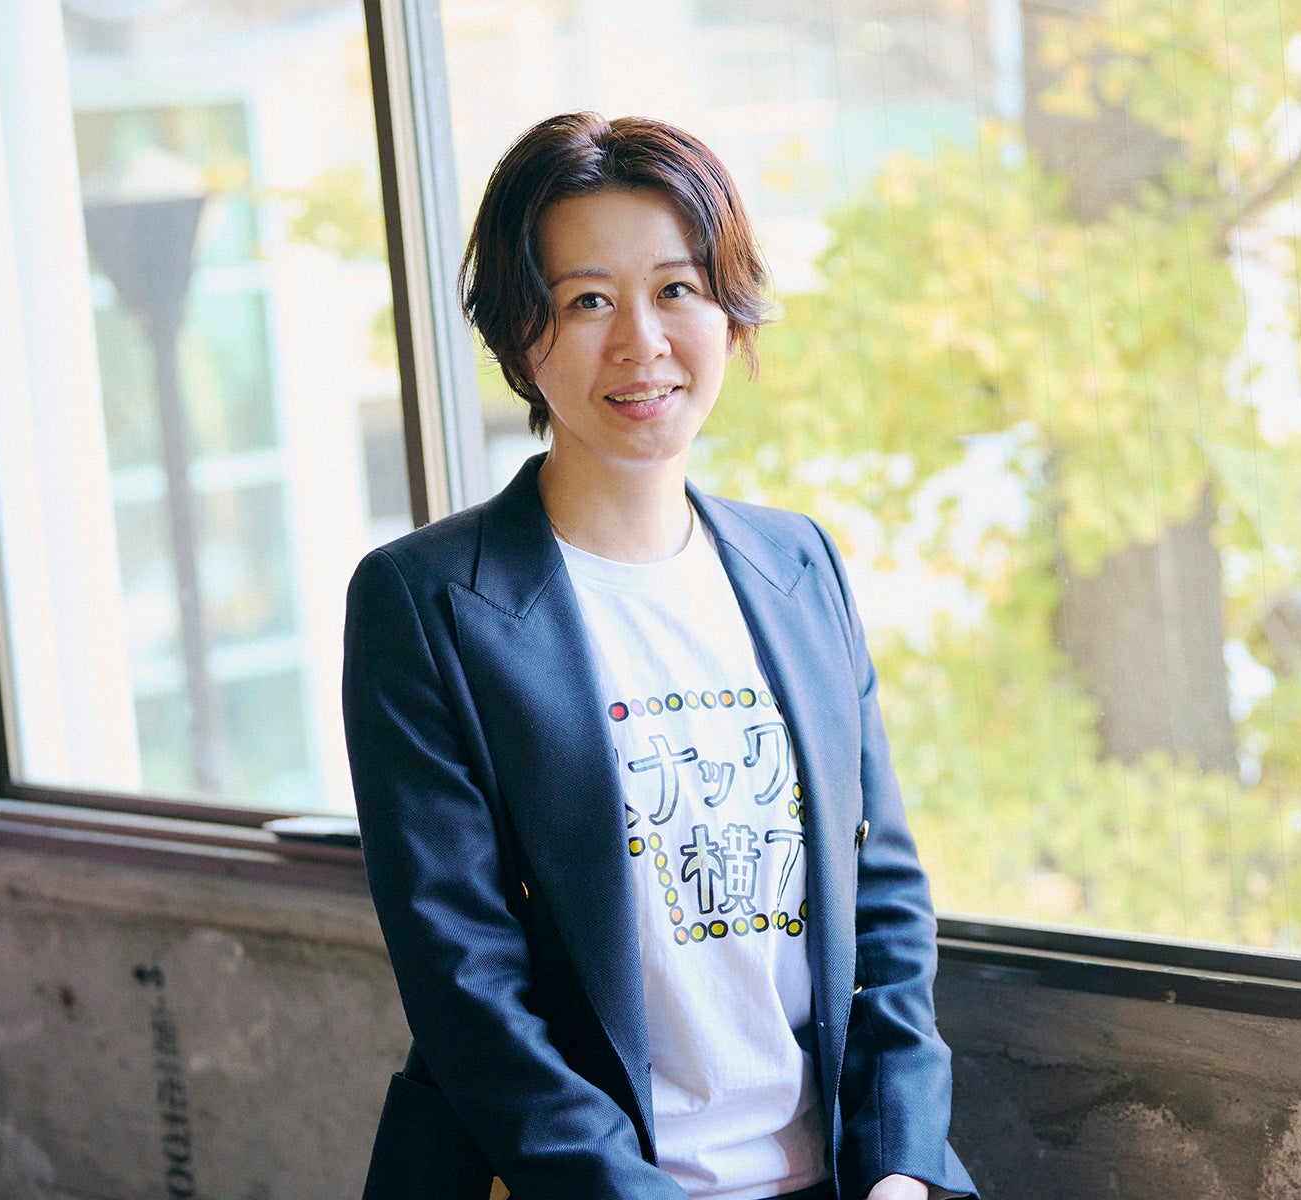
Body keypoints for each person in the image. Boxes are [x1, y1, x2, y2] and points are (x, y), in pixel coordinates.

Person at [343, 111, 976, 1200]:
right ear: (520, 334)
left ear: (730, 313)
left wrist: (901, 1167)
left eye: (678, 289)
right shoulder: (427, 603)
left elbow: (880, 901)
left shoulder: (799, 565)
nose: (641, 342)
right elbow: (466, 983)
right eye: (587, 300)